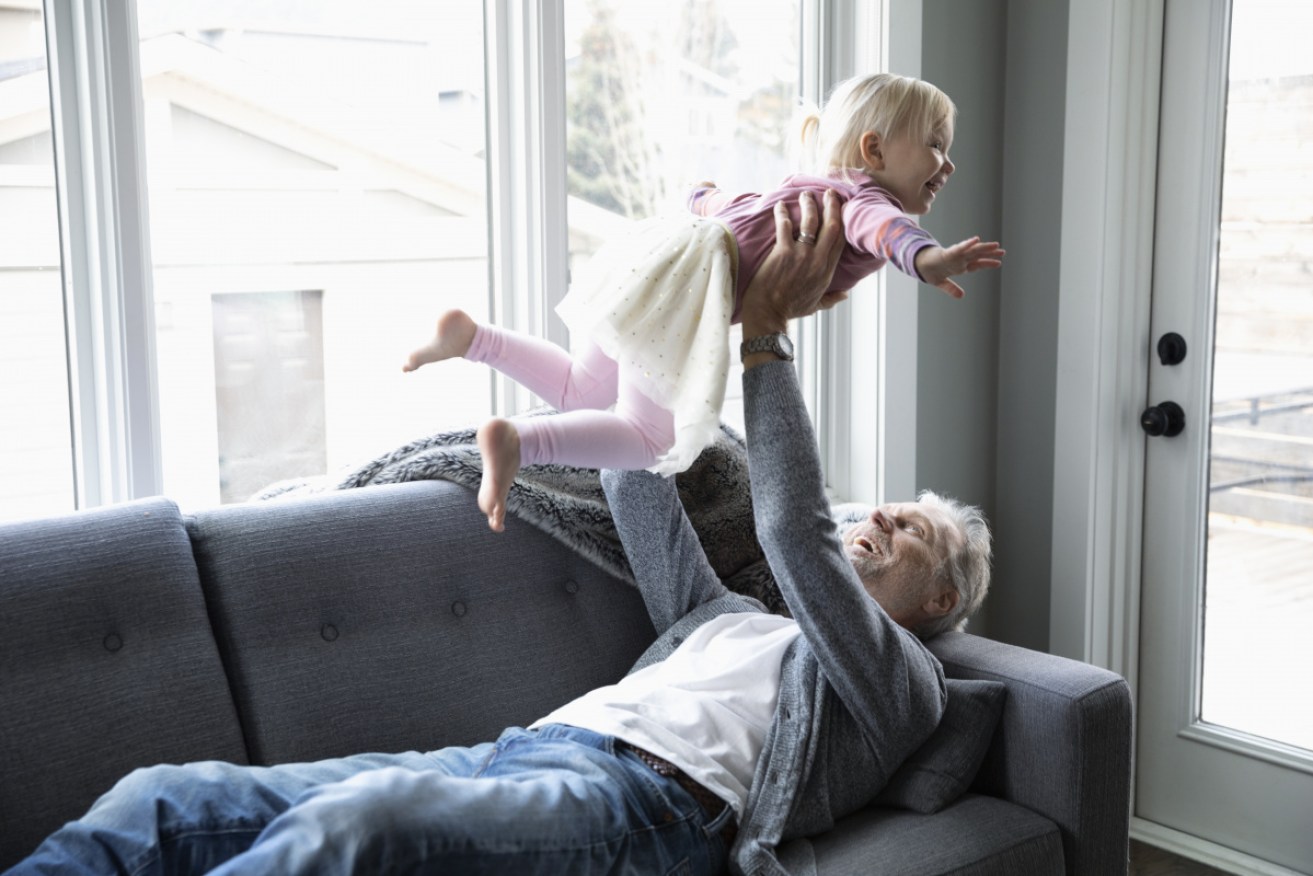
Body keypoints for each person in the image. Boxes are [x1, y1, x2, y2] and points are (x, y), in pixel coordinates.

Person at [6, 189, 992, 876]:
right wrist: (673, 298)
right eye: (883, 509)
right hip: (519, 753)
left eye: (907, 531)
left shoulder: (899, 679)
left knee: (363, 831)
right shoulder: (725, 618)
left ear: (937, 597)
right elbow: (633, 477)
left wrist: (767, 335)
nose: (879, 519)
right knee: (163, 800)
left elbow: (793, 533)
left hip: (642, 814)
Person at [404, 72, 1005, 532]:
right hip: (686, 294)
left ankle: (472, 338)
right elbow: (888, 233)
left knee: (579, 390)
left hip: (654, 258)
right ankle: (519, 441)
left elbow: (719, 205)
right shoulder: (862, 200)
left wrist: (698, 194)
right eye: (935, 146)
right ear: (873, 152)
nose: (948, 164)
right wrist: (930, 261)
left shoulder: (799, 189)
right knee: (650, 438)